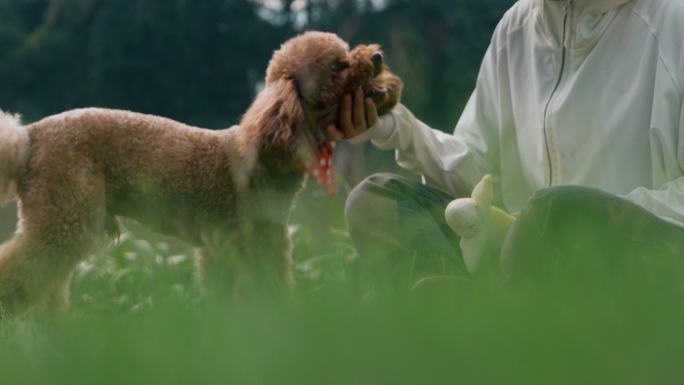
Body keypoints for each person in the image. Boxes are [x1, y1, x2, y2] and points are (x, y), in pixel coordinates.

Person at [326, 0, 684, 291]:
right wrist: (393, 128)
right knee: (375, 200)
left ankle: (502, 335)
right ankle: (456, 332)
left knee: (551, 214)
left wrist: (565, 220)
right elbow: (478, 177)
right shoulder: (516, 28)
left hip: (642, 263)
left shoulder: (672, 20)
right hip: (518, 260)